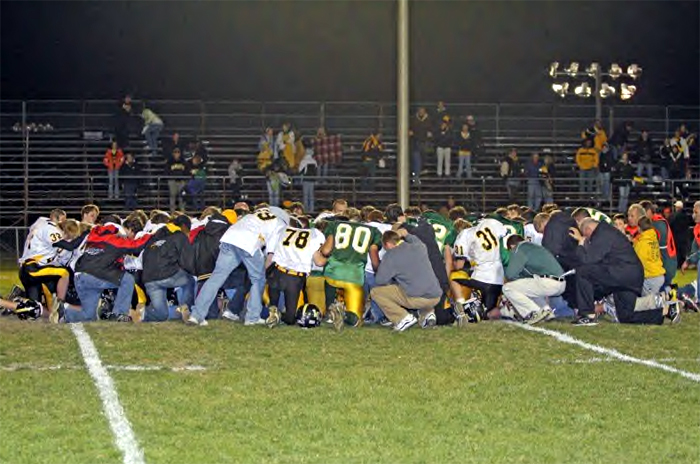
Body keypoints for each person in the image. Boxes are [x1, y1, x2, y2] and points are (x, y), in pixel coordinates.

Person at [186, 206, 289, 326]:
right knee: (258, 279)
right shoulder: (279, 223)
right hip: (248, 241)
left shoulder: (254, 215)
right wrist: (263, 272)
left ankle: (196, 315)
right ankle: (253, 317)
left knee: (216, 278)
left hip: (229, 237)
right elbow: (270, 255)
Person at [568, 218, 661, 325]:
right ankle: (665, 312)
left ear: (588, 230)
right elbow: (597, 258)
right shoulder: (608, 232)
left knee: (583, 271)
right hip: (631, 276)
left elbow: (587, 260)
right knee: (626, 316)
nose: (588, 239)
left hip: (622, 274)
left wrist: (580, 243)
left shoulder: (602, 233)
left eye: (586, 236)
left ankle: (587, 315)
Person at [69, 216, 152, 323]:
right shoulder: (115, 239)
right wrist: (153, 235)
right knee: (127, 279)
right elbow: (137, 246)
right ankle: (119, 314)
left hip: (79, 275)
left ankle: (65, 312)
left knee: (88, 316)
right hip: (95, 273)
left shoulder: (93, 237)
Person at [316, 209, 381, 327]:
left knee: (329, 287)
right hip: (355, 276)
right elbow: (374, 260)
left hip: (333, 273)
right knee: (356, 320)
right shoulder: (373, 231)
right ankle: (346, 314)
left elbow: (326, 250)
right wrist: (378, 271)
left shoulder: (335, 225)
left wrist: (321, 253)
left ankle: (332, 312)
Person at [370, 229, 442, 332]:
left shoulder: (390, 255)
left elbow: (380, 280)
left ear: (388, 244)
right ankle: (428, 315)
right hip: (435, 296)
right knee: (417, 283)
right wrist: (406, 234)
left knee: (376, 292)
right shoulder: (419, 246)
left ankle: (402, 318)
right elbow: (413, 238)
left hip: (417, 298)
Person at [265, 219, 327, 327]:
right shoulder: (316, 235)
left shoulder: (283, 229)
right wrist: (328, 256)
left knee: (272, 302)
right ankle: (277, 314)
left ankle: (271, 311)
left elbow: (271, 253)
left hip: (276, 271)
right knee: (290, 319)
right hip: (294, 277)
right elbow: (319, 262)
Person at [138, 215, 195, 322]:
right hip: (167, 275)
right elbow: (188, 263)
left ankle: (142, 313)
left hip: (149, 278)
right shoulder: (180, 236)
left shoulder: (154, 237)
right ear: (185, 227)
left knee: (161, 315)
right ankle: (185, 307)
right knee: (189, 279)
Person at [18, 209, 70, 318]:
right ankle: (60, 304)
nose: (64, 223)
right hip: (33, 268)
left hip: (27, 269)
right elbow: (66, 247)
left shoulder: (41, 224)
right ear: (59, 219)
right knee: (64, 272)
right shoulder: (51, 228)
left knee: (34, 309)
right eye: (63, 220)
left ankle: (17, 299)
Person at [502, 234, 565, 324]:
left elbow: (510, 274)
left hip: (549, 282)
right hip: (560, 282)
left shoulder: (520, 248)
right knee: (528, 288)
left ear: (512, 246)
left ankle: (533, 312)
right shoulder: (533, 246)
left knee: (507, 288)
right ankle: (547, 312)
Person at [640, 200, 677, 288]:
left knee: (661, 291)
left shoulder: (657, 224)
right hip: (668, 261)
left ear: (648, 211)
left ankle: (676, 295)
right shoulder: (658, 221)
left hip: (666, 262)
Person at [633, 216, 666, 296]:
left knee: (648, 304)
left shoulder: (642, 243)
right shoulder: (653, 238)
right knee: (658, 302)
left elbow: (637, 261)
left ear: (639, 228)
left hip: (651, 278)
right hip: (659, 275)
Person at [409, 107, 432, 179]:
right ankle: (416, 178)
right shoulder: (413, 119)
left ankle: (418, 173)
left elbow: (432, 129)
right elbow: (408, 127)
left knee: (422, 160)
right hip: (415, 143)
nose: (421, 112)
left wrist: (430, 133)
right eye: (420, 111)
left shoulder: (429, 120)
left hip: (424, 143)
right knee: (417, 160)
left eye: (422, 111)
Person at [669, 200, 693, 266]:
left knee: (677, 251)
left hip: (676, 236)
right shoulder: (686, 215)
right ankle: (682, 264)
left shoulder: (674, 216)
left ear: (678, 207)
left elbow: (670, 224)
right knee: (683, 251)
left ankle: (678, 264)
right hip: (684, 236)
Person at [165, 148, 188, 212]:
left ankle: (182, 211)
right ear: (173, 153)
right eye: (175, 152)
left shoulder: (183, 161)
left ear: (180, 153)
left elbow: (187, 170)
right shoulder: (169, 162)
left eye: (178, 152)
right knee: (172, 196)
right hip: (172, 181)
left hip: (181, 181)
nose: (177, 153)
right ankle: (172, 212)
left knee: (181, 197)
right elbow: (166, 171)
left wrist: (184, 179)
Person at [298, 142, 318, 213]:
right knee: (311, 196)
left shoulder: (303, 161)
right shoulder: (314, 161)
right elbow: (316, 171)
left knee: (306, 196)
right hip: (312, 180)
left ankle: (306, 210)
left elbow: (300, 170)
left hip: (305, 180)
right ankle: (311, 210)